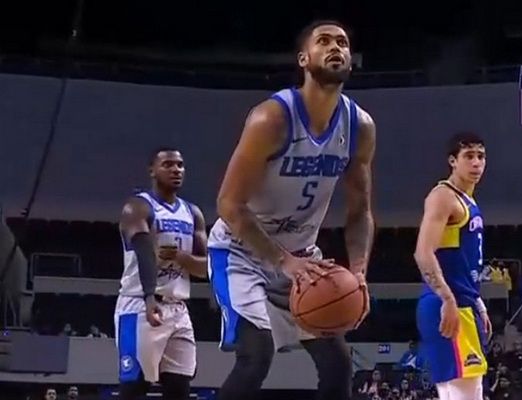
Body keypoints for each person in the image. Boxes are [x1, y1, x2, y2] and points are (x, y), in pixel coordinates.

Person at [208, 19, 376, 400]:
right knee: (256, 356)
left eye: (342, 42)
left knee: (338, 365)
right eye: (324, 41)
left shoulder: (360, 126)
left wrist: (359, 272)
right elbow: (228, 204)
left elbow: (360, 211)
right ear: (304, 59)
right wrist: (284, 262)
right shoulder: (272, 118)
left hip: (302, 257)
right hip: (241, 252)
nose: (335, 47)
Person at [114, 148, 208, 400]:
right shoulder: (137, 207)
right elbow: (144, 253)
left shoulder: (193, 213)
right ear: (152, 171)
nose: (176, 169)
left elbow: (205, 269)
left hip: (178, 308)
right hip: (140, 305)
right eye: (167, 164)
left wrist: (180, 257)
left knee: (179, 389)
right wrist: (148, 297)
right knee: (134, 388)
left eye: (180, 165)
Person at [413, 132, 491, 400]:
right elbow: (423, 253)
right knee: (465, 393)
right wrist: (447, 298)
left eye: (481, 156)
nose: (476, 163)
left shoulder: (467, 200)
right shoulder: (443, 197)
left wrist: (478, 302)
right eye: (468, 156)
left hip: (464, 302)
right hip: (447, 303)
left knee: (460, 393)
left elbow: (463, 263)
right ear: (452, 161)